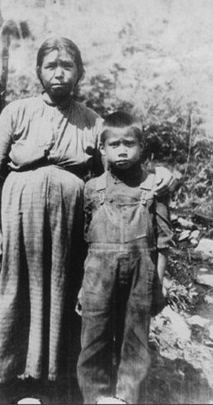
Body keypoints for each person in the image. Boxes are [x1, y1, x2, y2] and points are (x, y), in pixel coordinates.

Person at [0, 37, 175, 402]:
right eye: (51, 66)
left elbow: (122, 171)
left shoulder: (92, 121)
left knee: (60, 296)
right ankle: (9, 383)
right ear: (38, 72)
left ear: (79, 72)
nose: (59, 73)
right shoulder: (17, 111)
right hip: (16, 223)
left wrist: (163, 178)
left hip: (68, 229)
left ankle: (48, 385)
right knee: (10, 295)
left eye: (67, 66)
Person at [76, 112, 174, 404]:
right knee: (93, 340)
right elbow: (85, 240)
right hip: (97, 274)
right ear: (102, 148)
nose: (122, 150)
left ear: (141, 147)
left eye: (129, 143)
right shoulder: (92, 187)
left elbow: (164, 240)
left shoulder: (154, 187)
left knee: (135, 342)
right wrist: (83, 285)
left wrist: (158, 281)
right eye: (114, 144)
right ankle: (95, 396)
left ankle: (126, 398)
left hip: (140, 273)